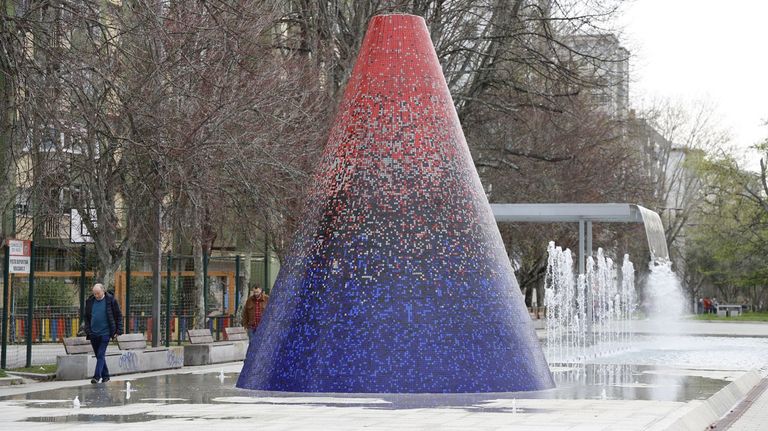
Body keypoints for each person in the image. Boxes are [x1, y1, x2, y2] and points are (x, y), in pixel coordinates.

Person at [83, 283, 123, 384]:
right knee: (99, 356)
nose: (96, 295)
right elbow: (86, 317)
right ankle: (106, 376)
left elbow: (118, 315)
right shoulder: (90, 301)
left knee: (100, 354)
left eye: (98, 293)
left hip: (106, 333)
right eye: (94, 293)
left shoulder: (111, 300)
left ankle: (97, 376)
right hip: (93, 333)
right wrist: (88, 331)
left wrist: (118, 331)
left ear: (103, 291)